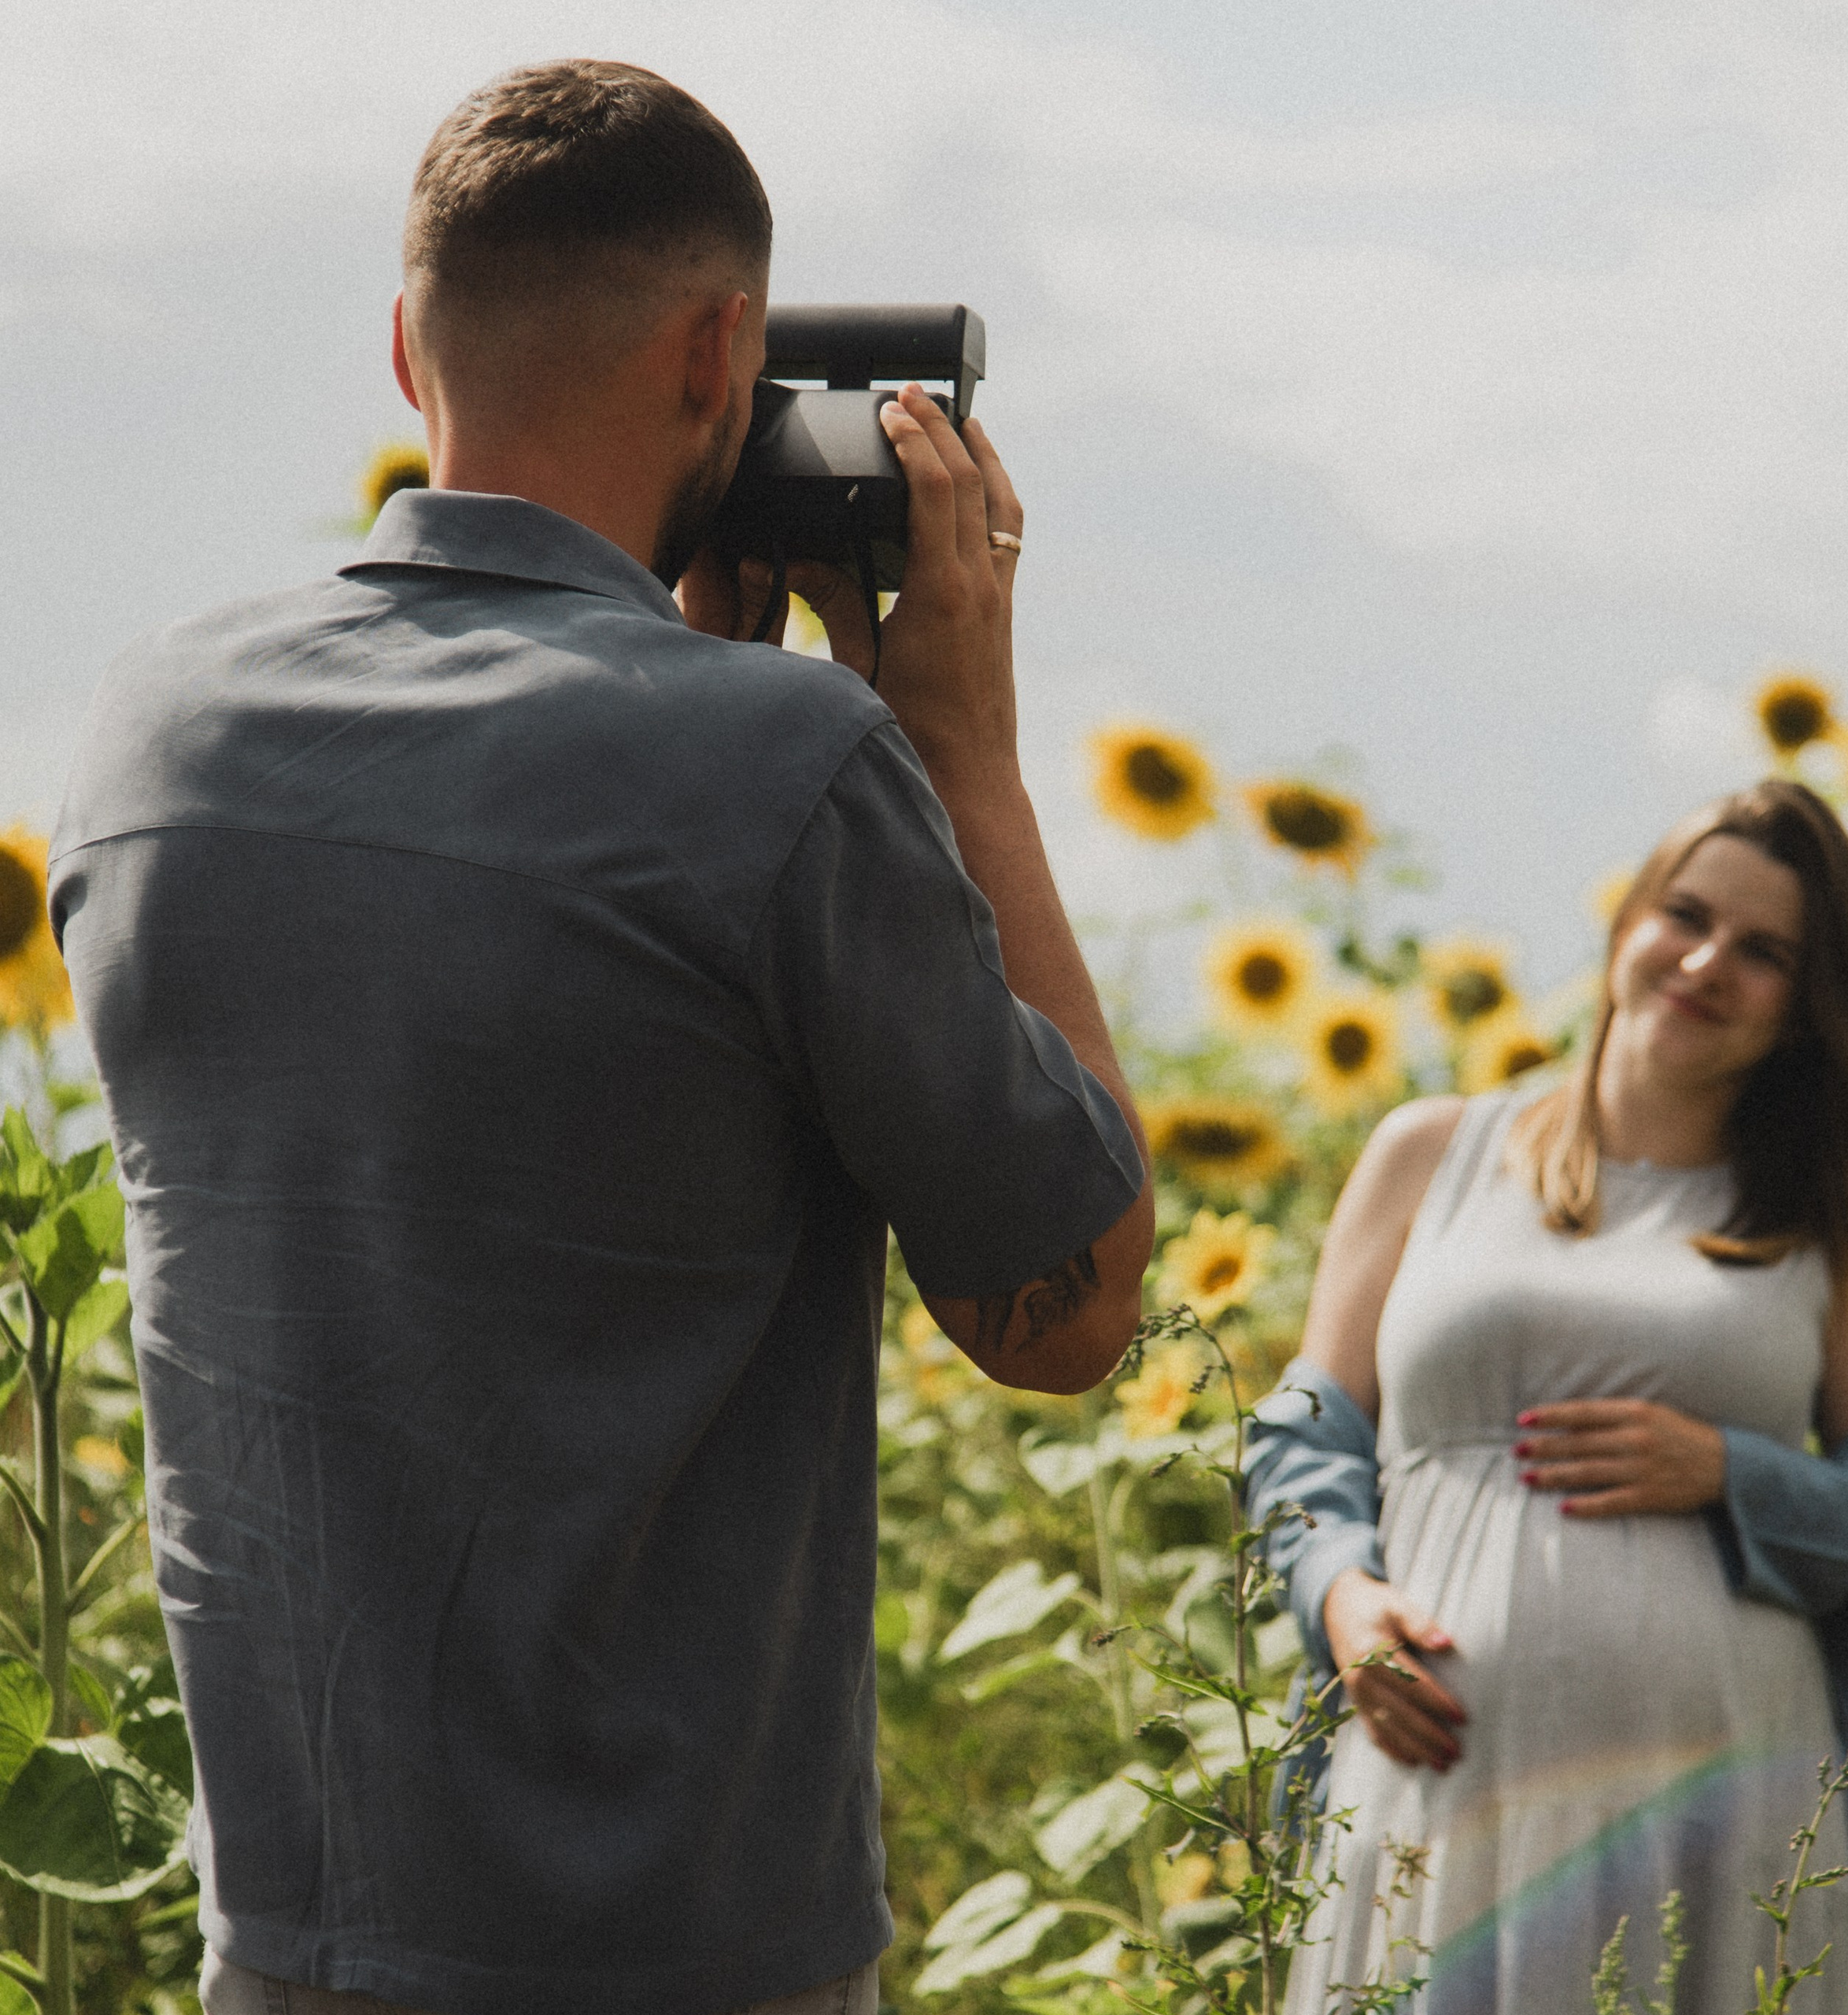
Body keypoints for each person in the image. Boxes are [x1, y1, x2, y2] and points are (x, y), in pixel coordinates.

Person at [48, 60, 1154, 2015]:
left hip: (290, 1939)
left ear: (406, 347)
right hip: (680, 1954)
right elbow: (1059, 1307)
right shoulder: (786, 771)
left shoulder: (153, 742)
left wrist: (699, 682)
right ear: (724, 349)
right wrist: (955, 748)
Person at [1244, 781, 1848, 2012]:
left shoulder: (1818, 1227)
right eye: (1683, 915)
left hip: (1730, 1832)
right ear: (1626, 920)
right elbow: (1301, 1446)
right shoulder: (1431, 1151)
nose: (1705, 963)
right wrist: (1343, 1598)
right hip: (1439, 1799)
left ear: (1807, 1008)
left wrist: (1734, 1473)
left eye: (1765, 953)